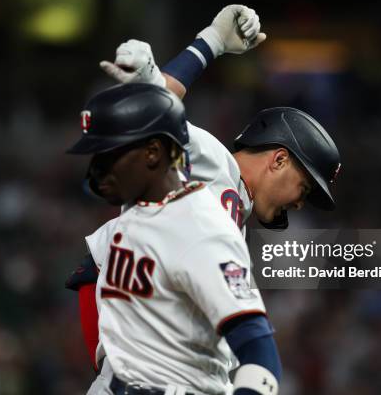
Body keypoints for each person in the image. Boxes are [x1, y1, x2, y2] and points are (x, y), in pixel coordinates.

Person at [67, 82, 282, 395]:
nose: (98, 172)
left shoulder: (203, 231)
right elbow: (91, 274)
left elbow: (257, 344)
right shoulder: (138, 216)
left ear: (153, 154)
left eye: (109, 157)